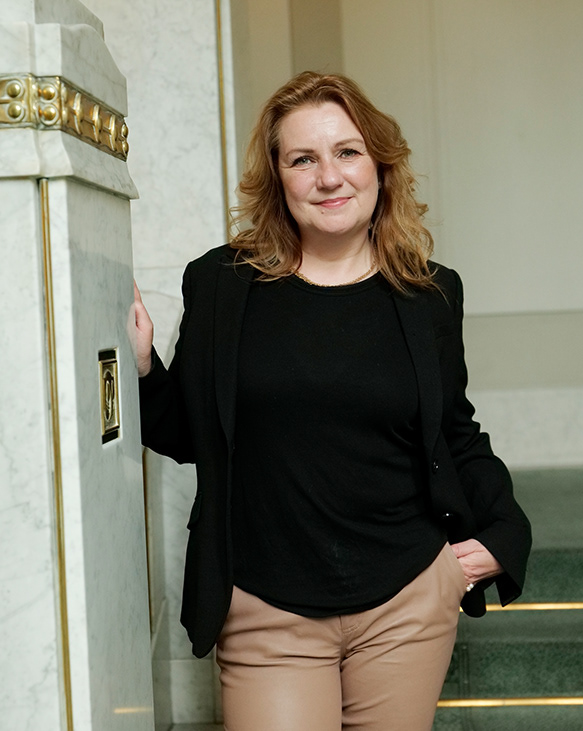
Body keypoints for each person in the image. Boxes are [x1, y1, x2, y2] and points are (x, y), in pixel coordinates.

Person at [135, 71, 531, 730]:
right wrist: (143, 366)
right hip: (266, 607)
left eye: (348, 151)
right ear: (277, 176)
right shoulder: (221, 284)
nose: (329, 177)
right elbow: (189, 433)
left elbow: (453, 433)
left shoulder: (430, 294)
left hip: (406, 600)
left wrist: (504, 534)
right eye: (303, 159)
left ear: (379, 164)